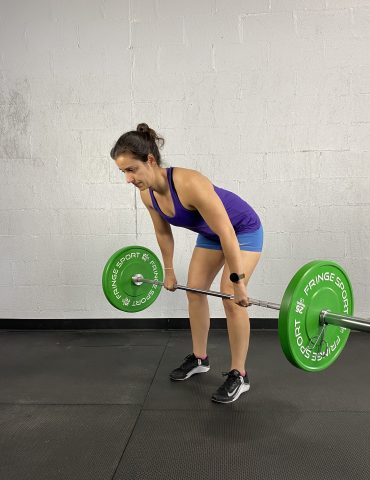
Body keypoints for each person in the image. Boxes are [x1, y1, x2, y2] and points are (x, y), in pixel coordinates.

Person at [110, 123, 263, 403]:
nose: (128, 179)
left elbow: (227, 231)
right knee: (194, 291)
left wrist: (239, 283)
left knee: (230, 299)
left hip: (241, 230)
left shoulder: (189, 183)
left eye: (131, 169)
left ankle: (239, 375)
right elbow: (162, 232)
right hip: (211, 234)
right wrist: (168, 271)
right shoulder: (147, 194)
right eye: (123, 172)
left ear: (151, 160)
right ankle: (200, 358)